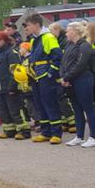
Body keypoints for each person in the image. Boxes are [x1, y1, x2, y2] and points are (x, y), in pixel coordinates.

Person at [24, 14, 63, 144]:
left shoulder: (48, 37)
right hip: (36, 77)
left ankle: (56, 133)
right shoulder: (34, 39)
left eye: (28, 25)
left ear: (36, 24)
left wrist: (50, 73)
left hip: (45, 76)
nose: (26, 29)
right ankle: (45, 132)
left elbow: (57, 57)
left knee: (50, 103)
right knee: (40, 104)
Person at [60, 22, 95, 148]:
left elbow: (81, 64)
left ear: (75, 32)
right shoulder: (68, 44)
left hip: (83, 79)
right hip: (71, 80)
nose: (66, 33)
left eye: (68, 31)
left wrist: (66, 77)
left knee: (88, 108)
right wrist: (63, 76)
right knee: (77, 109)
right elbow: (64, 62)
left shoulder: (84, 45)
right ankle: (79, 136)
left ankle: (93, 137)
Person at [0, 31, 29, 140]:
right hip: (0, 87)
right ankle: (9, 130)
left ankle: (24, 130)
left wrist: (12, 87)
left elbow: (15, 72)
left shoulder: (11, 53)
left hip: (10, 87)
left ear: (3, 40)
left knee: (15, 109)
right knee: (3, 111)